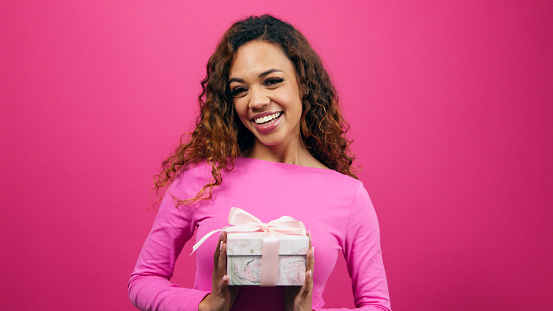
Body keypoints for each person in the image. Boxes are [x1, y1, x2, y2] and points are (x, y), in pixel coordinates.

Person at [128, 15, 391, 311]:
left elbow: (377, 305)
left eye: (272, 81)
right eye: (240, 89)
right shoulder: (202, 178)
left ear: (303, 84)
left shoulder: (349, 196)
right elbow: (143, 279)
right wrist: (207, 306)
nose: (255, 101)